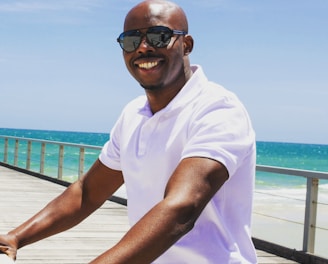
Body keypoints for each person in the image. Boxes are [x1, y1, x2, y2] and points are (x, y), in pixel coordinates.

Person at [0, 0, 257, 263]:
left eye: (159, 36)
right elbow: (87, 193)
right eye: (131, 40)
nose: (144, 48)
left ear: (186, 45)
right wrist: (16, 237)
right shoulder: (133, 114)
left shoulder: (218, 109)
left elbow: (181, 208)